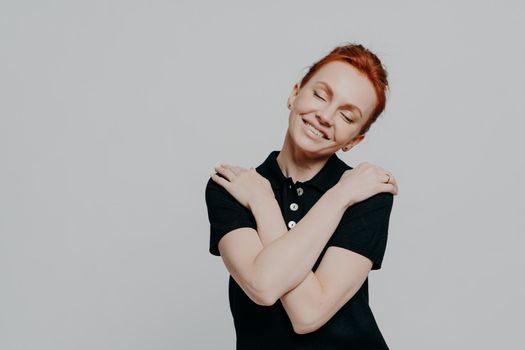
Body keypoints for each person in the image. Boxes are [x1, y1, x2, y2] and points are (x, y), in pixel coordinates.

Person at [204, 43, 399, 349]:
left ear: (355, 139)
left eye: (347, 117)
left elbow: (308, 314)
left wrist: (339, 194)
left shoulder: (366, 194)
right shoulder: (231, 187)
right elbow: (263, 286)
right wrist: (262, 196)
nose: (325, 116)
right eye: (320, 95)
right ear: (295, 93)